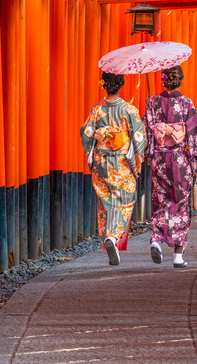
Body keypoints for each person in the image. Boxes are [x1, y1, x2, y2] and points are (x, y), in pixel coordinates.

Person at [143, 65, 197, 268]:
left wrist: (149, 152)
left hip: (160, 160)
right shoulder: (186, 103)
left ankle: (156, 239)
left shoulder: (152, 102)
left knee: (161, 200)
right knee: (180, 204)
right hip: (180, 159)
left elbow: (145, 131)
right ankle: (178, 255)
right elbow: (196, 132)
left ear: (164, 80)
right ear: (180, 80)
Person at [80, 71, 147, 265]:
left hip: (101, 162)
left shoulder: (97, 110)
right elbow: (139, 138)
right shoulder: (129, 110)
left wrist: (92, 155)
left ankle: (107, 239)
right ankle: (113, 237)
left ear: (104, 85)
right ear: (121, 85)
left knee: (105, 199)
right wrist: (139, 158)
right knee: (125, 199)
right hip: (122, 162)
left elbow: (87, 134)